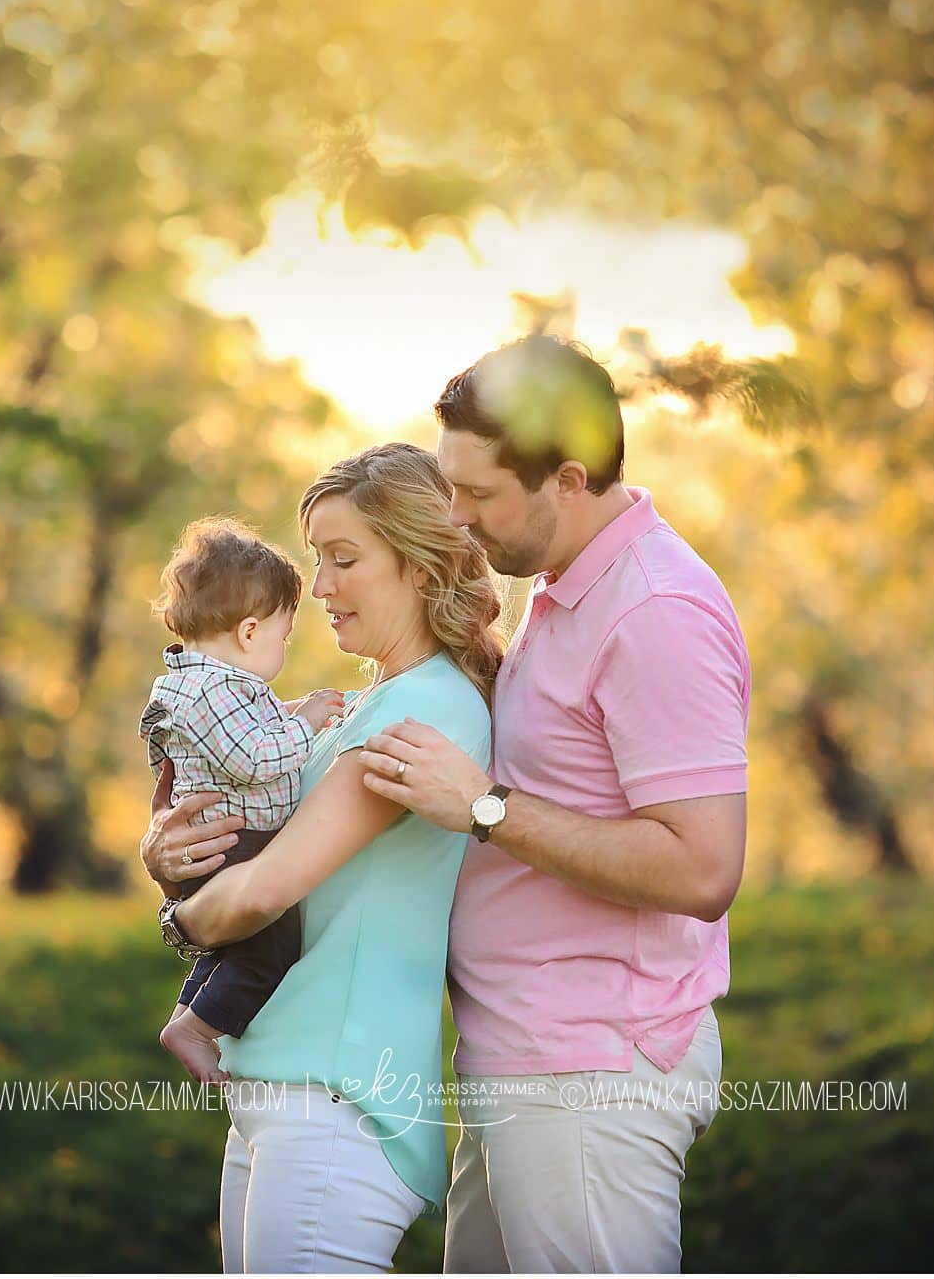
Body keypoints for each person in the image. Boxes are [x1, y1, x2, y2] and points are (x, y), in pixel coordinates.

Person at [358, 335, 750, 1273]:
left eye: (478, 494)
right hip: (520, 1057)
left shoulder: (654, 610)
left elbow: (703, 868)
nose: (456, 519)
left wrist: (486, 807)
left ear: (567, 480)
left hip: (590, 1072)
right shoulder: (561, 584)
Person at [139, 443, 503, 1273]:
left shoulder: (425, 710)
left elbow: (263, 889)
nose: (322, 588)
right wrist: (164, 852)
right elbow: (236, 838)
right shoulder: (359, 707)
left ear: (419, 567)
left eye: (344, 560)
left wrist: (177, 914)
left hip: (336, 1104)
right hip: (280, 1090)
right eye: (316, 560)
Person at [138, 518, 347, 1085]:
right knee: (270, 948)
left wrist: (289, 715)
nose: (283, 648)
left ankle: (185, 1015)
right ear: (250, 632)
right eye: (284, 636)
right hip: (238, 842)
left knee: (228, 950)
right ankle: (198, 1029)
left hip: (217, 842)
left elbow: (240, 737)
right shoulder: (218, 690)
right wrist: (303, 724)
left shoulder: (193, 683)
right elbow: (253, 759)